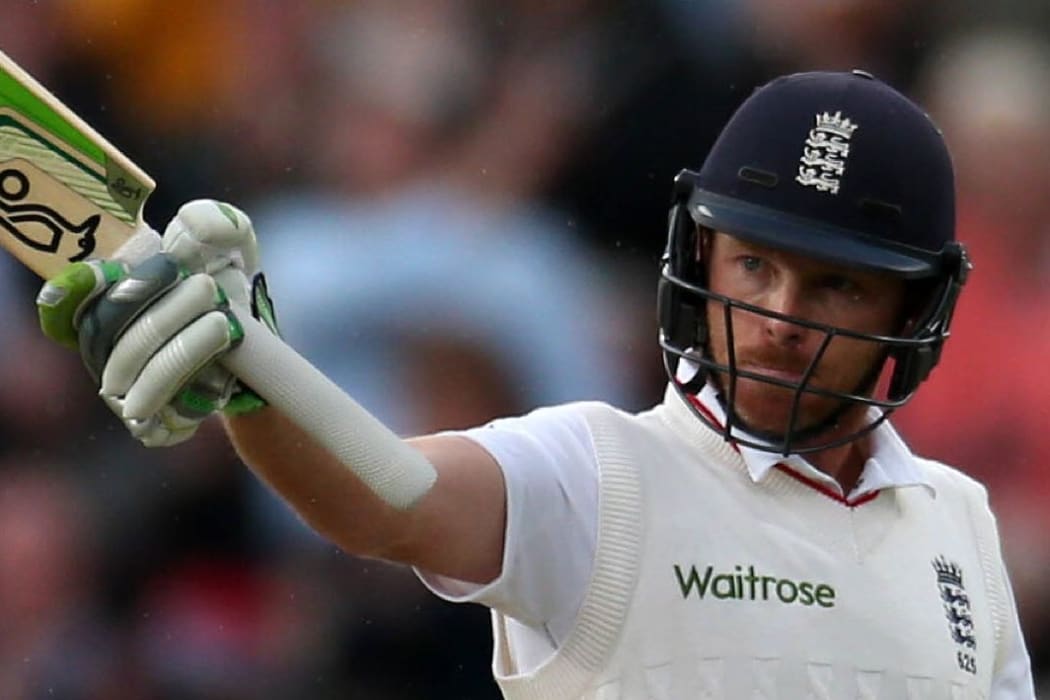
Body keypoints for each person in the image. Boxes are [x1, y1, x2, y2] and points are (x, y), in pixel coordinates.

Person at [36, 70, 1035, 698]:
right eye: (754, 266)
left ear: (911, 313)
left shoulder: (960, 526)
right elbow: (389, 495)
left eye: (835, 287)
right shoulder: (603, 470)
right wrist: (253, 373)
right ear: (702, 256)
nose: (777, 317)